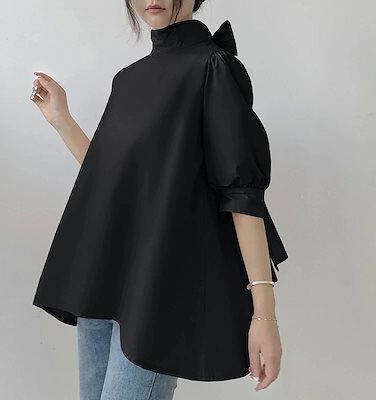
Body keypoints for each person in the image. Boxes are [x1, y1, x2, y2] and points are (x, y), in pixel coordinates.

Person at [30, 1, 289, 399]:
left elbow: (242, 192)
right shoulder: (128, 80)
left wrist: (264, 314)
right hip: (103, 282)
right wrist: (61, 119)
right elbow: (111, 178)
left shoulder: (213, 67)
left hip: (159, 292)